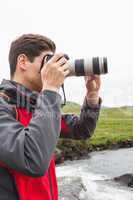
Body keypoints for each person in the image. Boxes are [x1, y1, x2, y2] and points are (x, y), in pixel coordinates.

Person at [0, 34, 101, 200]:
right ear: (23, 62)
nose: (53, 68)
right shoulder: (5, 107)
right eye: (48, 61)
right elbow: (32, 160)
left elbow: (82, 130)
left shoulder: (37, 107)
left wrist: (92, 96)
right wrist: (50, 90)